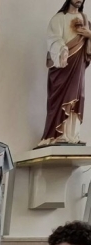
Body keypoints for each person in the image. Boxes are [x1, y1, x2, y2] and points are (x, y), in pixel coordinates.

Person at [40, 0, 91, 146]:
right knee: (59, 99)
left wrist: (90, 35)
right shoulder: (58, 18)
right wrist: (62, 49)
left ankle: (72, 135)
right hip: (62, 67)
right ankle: (56, 135)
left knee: (77, 96)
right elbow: (53, 39)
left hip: (78, 66)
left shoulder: (85, 20)